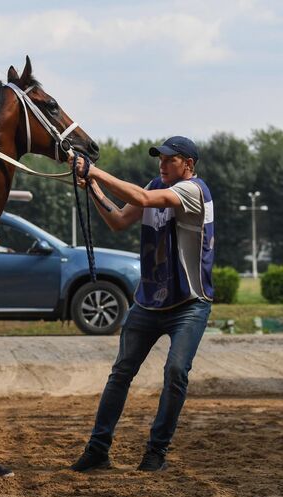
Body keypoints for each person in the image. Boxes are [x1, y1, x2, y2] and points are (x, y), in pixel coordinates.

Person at [68, 136, 214, 472]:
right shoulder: (155, 185)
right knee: (120, 373)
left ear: (188, 165)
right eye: (159, 160)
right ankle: (97, 450)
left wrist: (94, 171)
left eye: (169, 160)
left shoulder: (193, 191)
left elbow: (145, 198)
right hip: (149, 302)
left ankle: (156, 453)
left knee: (176, 372)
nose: (161, 165)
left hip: (190, 303)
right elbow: (119, 221)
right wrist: (92, 185)